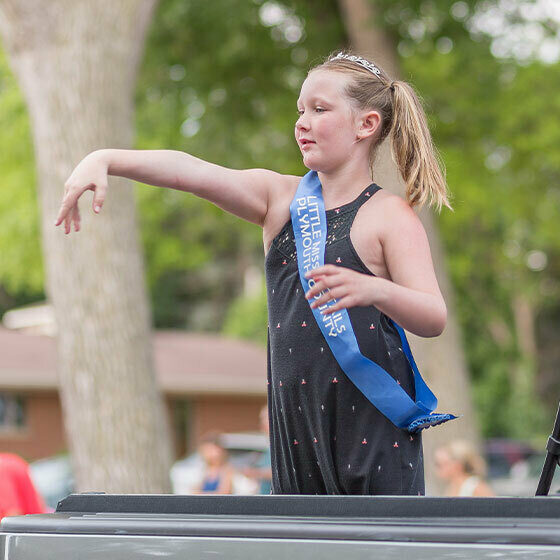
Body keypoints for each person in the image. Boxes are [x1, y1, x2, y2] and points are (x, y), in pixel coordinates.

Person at [55, 50, 452, 495]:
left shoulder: (389, 215)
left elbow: (432, 316)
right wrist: (107, 158)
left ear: (367, 125)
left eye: (320, 110)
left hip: (371, 425)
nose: (301, 122)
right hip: (296, 422)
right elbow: (193, 172)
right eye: (300, 110)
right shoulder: (278, 198)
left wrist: (374, 289)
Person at [0, 453, 47, 520]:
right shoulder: (13, 461)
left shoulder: (2, 469)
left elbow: (11, 516)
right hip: (38, 522)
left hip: (28, 526)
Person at [242, 405, 273, 495]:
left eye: (264, 419)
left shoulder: (280, 446)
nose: (262, 423)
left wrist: (255, 473)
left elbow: (279, 473)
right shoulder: (268, 447)